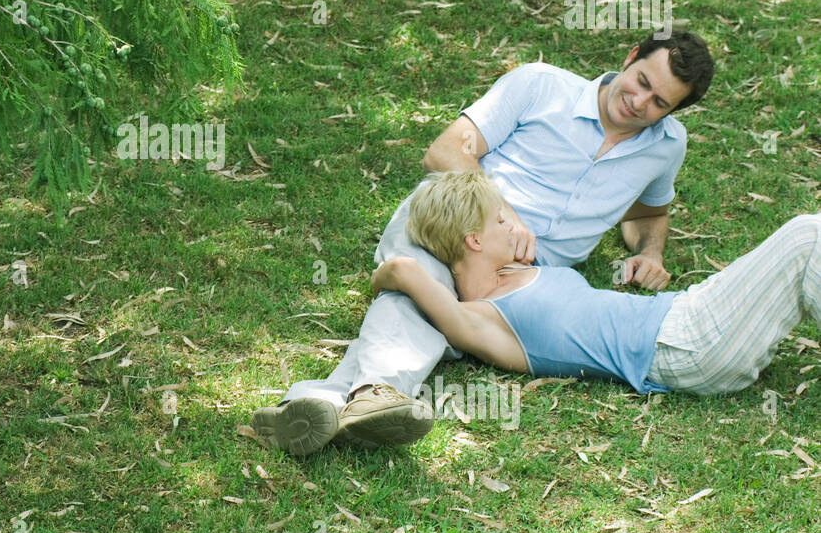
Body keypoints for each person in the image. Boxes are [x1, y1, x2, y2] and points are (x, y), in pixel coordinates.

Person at [250, 31, 715, 456]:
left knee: (423, 303)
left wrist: (649, 250)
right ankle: (375, 394)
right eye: (640, 81)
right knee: (425, 284)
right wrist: (503, 215)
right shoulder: (540, 86)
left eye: (659, 102)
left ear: (673, 112)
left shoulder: (667, 145)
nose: (639, 102)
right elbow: (445, 151)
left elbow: (648, 212)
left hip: (527, 274)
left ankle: (320, 402)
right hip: (458, 217)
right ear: (630, 57)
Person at [372, 169, 821, 399]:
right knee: (805, 235)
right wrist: (399, 272)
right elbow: (431, 299)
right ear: (473, 240)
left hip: (684, 313)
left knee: (811, 236)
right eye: (501, 220)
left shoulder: (516, 272)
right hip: (683, 347)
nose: (514, 226)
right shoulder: (482, 316)